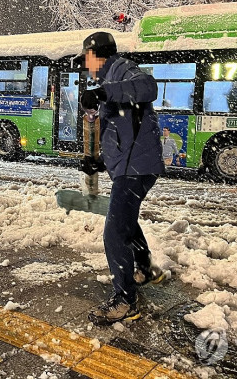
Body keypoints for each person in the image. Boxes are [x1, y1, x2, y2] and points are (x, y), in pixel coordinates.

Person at [78, 31, 166, 325]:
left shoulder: (120, 69)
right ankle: (143, 267)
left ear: (96, 55)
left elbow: (147, 86)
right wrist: (98, 162)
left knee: (115, 231)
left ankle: (125, 300)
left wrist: (103, 93)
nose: (85, 67)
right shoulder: (110, 78)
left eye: (86, 60)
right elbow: (121, 134)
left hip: (137, 167)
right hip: (132, 165)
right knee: (125, 220)